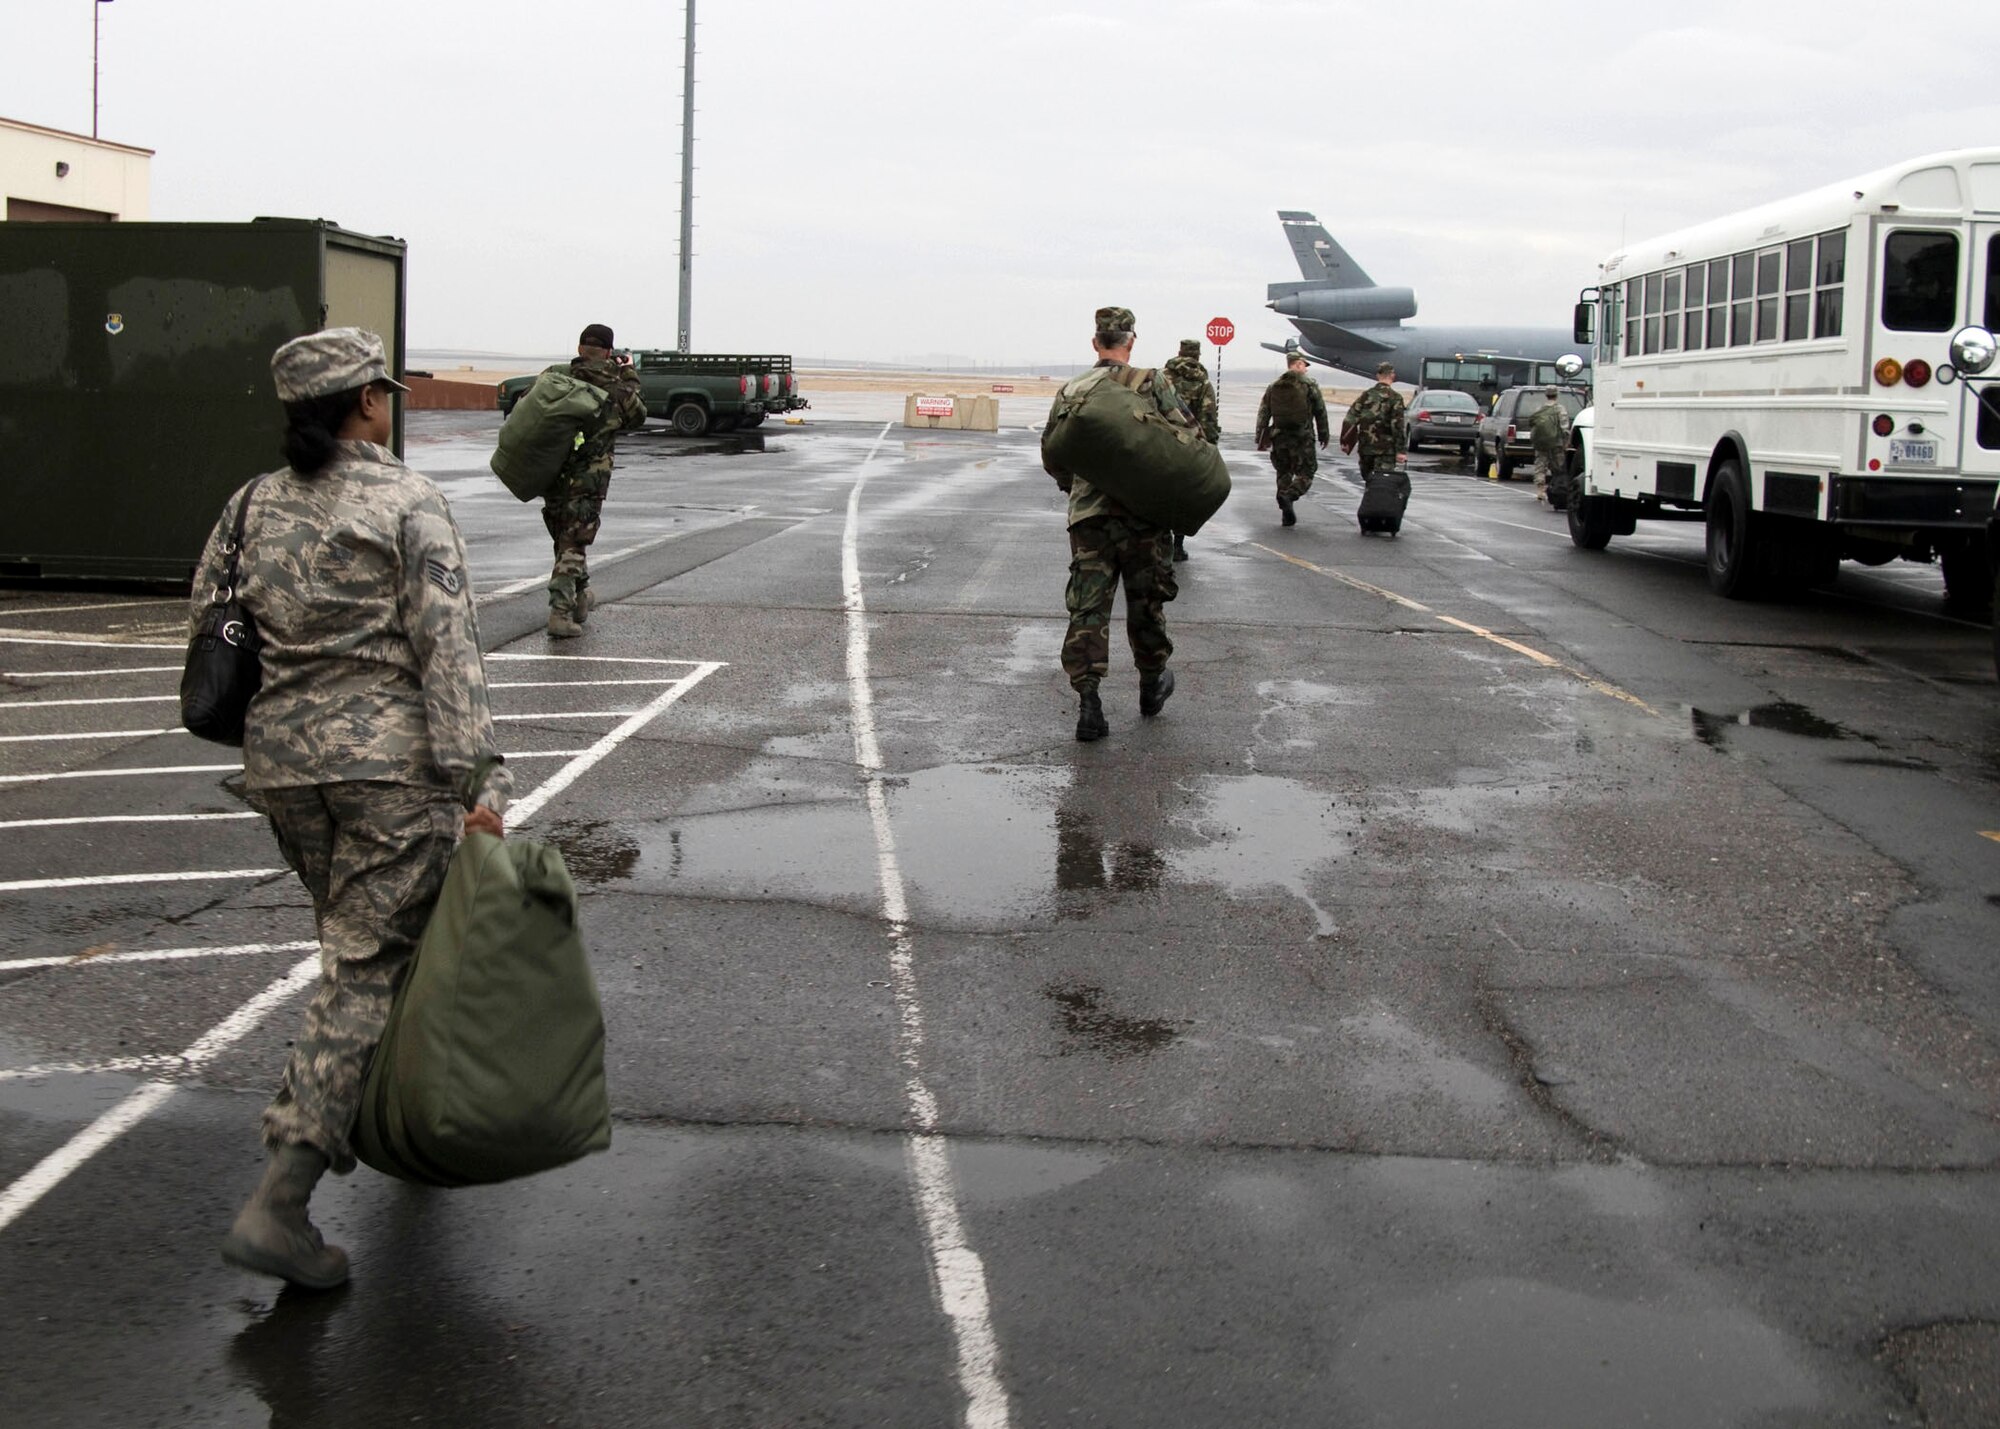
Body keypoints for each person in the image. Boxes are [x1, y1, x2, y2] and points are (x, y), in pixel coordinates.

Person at [195, 327, 512, 1290]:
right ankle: (281, 1200)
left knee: (361, 951)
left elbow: (208, 618)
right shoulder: (405, 500)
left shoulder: (250, 504)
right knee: (367, 969)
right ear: (366, 403)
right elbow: (446, 649)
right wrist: (480, 782)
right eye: (383, 390)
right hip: (388, 774)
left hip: (286, 771)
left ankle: (388, 1120)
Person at [1041, 305, 1186, 742]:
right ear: (1131, 341)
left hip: (1090, 520)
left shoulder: (1074, 388)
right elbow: (1187, 438)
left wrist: (1077, 489)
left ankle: (1089, 703)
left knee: (1088, 608)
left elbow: (1053, 452)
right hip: (1144, 517)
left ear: (1095, 342)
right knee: (1146, 604)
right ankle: (1150, 685)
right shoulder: (1152, 383)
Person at [544, 323, 648, 638]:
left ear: (579, 350)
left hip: (552, 474)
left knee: (565, 537)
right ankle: (560, 613)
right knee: (574, 542)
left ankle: (580, 598)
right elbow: (638, 415)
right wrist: (629, 373)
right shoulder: (615, 388)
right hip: (587, 480)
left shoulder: (556, 377)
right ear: (607, 352)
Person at [1161, 338, 1220, 561]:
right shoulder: (1202, 381)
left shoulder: (1162, 376)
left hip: (1163, 443)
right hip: (1189, 446)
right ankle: (1178, 544)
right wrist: (1210, 445)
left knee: (1161, 492)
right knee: (1184, 495)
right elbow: (1208, 416)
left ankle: (1161, 539)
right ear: (1197, 355)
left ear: (1179, 352)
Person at [1254, 351, 1329, 526]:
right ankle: (1290, 495)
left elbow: (1264, 412)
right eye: (1304, 365)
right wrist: (1324, 434)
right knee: (1307, 471)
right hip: (1303, 437)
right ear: (1298, 364)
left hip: (1279, 437)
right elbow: (1320, 411)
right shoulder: (1309, 385)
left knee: (1283, 472)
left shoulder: (1274, 386)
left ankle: (1284, 504)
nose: (1305, 370)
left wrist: (1261, 435)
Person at [1341, 360, 1409, 492]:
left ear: (1378, 376)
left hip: (1366, 448)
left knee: (1369, 481)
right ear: (1392, 376)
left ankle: (1369, 506)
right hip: (1385, 450)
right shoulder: (1395, 398)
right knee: (1382, 483)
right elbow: (1397, 425)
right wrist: (1401, 450)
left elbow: (1350, 419)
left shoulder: (1366, 395)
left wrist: (1346, 442)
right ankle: (1377, 508)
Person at [1528, 386, 1572, 504]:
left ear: (1546, 395)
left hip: (1541, 443)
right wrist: (1566, 442)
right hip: (1556, 443)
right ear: (1556, 395)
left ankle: (1540, 490)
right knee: (1558, 466)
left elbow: (1532, 423)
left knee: (1540, 466)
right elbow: (1564, 427)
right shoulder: (1560, 409)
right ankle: (1557, 488)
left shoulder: (1540, 409)